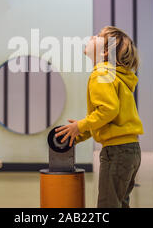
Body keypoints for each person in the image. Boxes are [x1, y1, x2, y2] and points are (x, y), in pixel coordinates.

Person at [56, 26, 144, 208]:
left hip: (117, 152)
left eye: (97, 36)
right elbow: (106, 118)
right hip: (131, 150)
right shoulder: (113, 76)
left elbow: (107, 111)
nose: (91, 36)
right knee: (119, 203)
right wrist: (78, 135)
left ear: (105, 52)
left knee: (107, 206)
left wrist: (80, 126)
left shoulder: (101, 74)